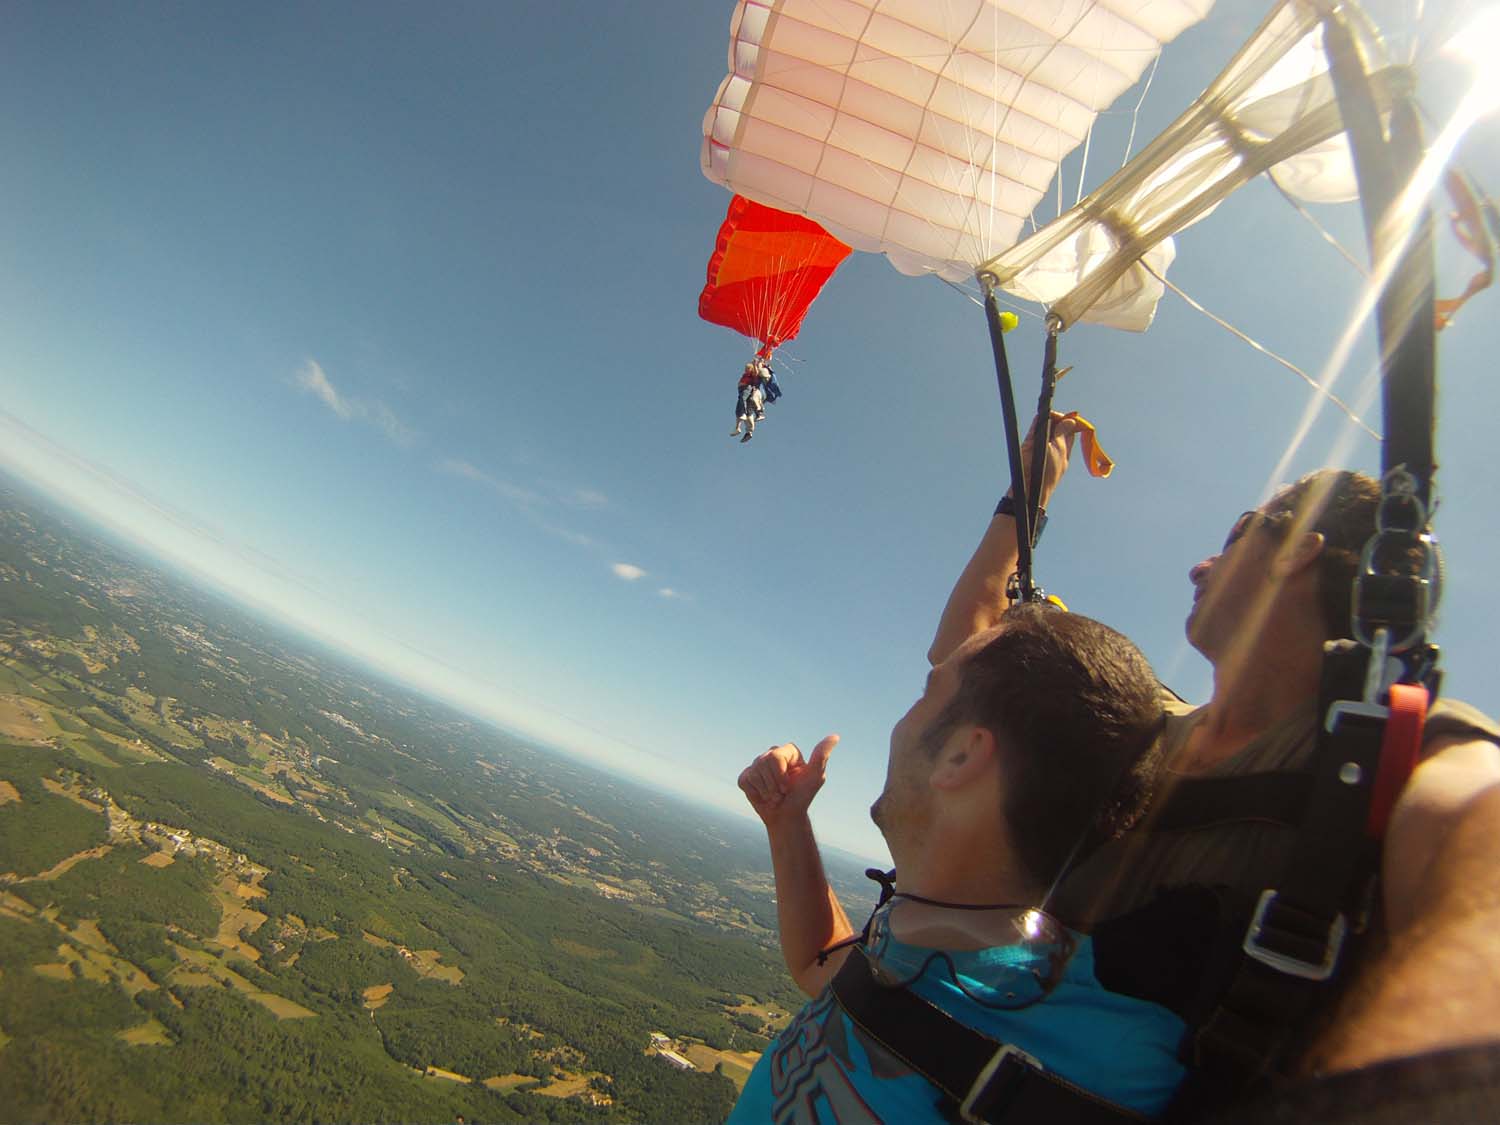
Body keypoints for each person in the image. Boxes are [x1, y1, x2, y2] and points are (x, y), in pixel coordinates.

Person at [929, 419, 1500, 1113]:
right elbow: (965, 659)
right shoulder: (1139, 725)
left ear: (1296, 549)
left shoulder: (1395, 753)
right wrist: (1027, 495)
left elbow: (1478, 841)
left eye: (1237, 533)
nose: (1200, 566)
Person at [728, 606, 1194, 1123]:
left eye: (927, 694)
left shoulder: (1114, 1064)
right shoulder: (919, 934)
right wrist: (787, 823)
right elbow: (821, 965)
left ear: (960, 756)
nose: (899, 724)